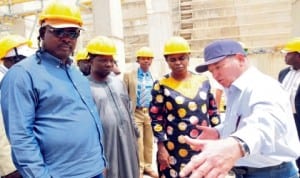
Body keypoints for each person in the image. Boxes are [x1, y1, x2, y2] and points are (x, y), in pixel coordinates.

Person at [0, 1, 107, 178]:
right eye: (58, 31)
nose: (67, 38)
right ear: (42, 33)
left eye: (73, 33)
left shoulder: (76, 74)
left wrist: (100, 162)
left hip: (94, 170)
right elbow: (21, 137)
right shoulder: (22, 75)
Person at [180, 39, 300, 178]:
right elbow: (242, 120)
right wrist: (218, 132)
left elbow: (266, 123)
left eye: (218, 67)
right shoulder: (235, 89)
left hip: (272, 172)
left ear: (240, 59)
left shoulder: (263, 86)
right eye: (211, 71)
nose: (215, 75)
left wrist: (236, 146)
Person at [148, 36, 220, 178]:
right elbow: (156, 118)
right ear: (167, 60)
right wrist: (162, 148)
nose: (178, 63)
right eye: (173, 59)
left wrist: (219, 138)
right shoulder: (161, 84)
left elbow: (213, 112)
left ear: (189, 57)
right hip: (173, 148)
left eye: (182, 58)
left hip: (202, 145)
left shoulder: (203, 81)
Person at [86, 36, 140, 178]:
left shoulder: (118, 83)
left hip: (127, 139)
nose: (109, 64)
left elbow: (128, 108)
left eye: (111, 60)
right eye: (103, 60)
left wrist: (135, 131)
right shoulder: (84, 87)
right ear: (90, 60)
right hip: (106, 143)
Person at [0, 34, 34, 178]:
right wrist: (9, 168)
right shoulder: (4, 83)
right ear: (12, 59)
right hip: (13, 166)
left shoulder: (17, 79)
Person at [123, 47, 158, 178]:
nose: (146, 61)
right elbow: (124, 95)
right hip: (136, 111)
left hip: (150, 112)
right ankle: (139, 168)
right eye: (143, 58)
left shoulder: (154, 76)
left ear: (151, 61)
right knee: (138, 142)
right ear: (138, 60)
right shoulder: (129, 75)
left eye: (148, 58)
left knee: (149, 141)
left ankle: (149, 166)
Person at [278, 37, 300, 174]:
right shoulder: (283, 73)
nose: (285, 56)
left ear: (298, 55)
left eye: (288, 53)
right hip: (285, 118)